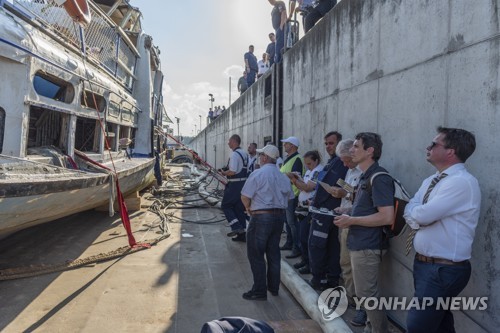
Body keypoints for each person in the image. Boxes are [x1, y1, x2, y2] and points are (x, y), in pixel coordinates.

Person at [403, 127, 480, 333]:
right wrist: (418, 216)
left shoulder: (461, 182)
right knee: (440, 324)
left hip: (444, 270)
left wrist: (418, 216)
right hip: (425, 265)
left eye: (434, 144)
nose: (428, 147)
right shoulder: (432, 180)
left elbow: (422, 215)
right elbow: (410, 209)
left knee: (418, 326)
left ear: (451, 151)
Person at [334, 132, 394, 333]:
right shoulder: (364, 176)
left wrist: (352, 220)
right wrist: (348, 211)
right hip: (359, 242)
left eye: (356, 146)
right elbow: (368, 208)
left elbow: (386, 216)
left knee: (368, 295)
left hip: (368, 246)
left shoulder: (379, 177)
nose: (352, 150)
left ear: (370, 151)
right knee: (365, 293)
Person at [240, 145, 294, 300]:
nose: (259, 158)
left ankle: (259, 290)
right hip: (279, 217)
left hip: (261, 216)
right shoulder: (283, 176)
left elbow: (244, 195)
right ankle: (273, 287)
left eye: (260, 155)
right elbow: (290, 197)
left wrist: (248, 208)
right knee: (273, 252)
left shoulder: (258, 174)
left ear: (264, 158)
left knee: (256, 253)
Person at [329, 139, 366, 327]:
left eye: (346, 160)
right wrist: (338, 191)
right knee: (345, 263)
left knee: (359, 269)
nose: (344, 164)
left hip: (358, 225)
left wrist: (345, 194)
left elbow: (360, 197)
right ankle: (351, 298)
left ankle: (362, 307)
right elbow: (349, 191)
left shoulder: (365, 173)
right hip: (345, 221)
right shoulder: (350, 171)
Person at [307, 131, 347, 290]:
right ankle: (326, 279)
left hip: (326, 215)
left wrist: (318, 202)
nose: (328, 146)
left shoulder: (340, 164)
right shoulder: (332, 163)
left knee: (318, 247)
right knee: (327, 248)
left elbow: (342, 186)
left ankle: (322, 279)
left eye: (331, 143)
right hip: (324, 213)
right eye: (326, 144)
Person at [288, 150, 323, 274]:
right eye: (306, 164)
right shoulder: (309, 171)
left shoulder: (318, 171)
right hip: (302, 208)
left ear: (316, 161)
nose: (307, 166)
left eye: (309, 163)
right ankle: (305, 259)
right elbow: (303, 186)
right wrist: (298, 181)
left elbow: (308, 187)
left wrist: (294, 180)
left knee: (305, 237)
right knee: (302, 237)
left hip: (310, 209)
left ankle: (309, 264)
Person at [279, 136, 305, 259]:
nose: (284, 145)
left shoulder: (298, 159)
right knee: (287, 222)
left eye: (287, 144)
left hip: (293, 195)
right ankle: (289, 243)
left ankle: (297, 247)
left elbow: (295, 178)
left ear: (293, 146)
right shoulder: (288, 159)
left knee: (292, 223)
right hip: (286, 195)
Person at [220, 134, 249, 242]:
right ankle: (242, 236)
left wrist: (224, 172)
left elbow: (232, 171)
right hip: (243, 185)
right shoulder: (244, 153)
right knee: (238, 209)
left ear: (234, 141)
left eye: (229, 141)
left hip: (234, 185)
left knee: (225, 205)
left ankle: (236, 227)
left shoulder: (235, 155)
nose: (228, 143)